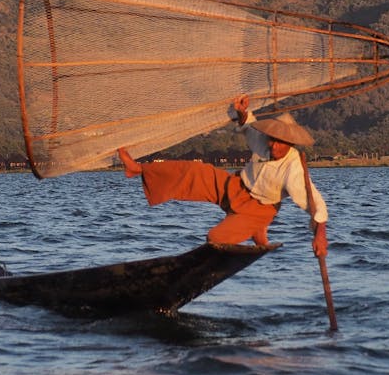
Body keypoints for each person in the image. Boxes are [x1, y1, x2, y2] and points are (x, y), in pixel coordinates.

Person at [117, 94, 328, 257]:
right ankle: (138, 169)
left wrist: (320, 235)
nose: (273, 144)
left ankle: (255, 230)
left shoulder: (294, 170)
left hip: (258, 209)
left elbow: (316, 204)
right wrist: (243, 111)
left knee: (216, 239)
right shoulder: (266, 143)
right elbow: (248, 127)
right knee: (193, 171)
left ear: (290, 143)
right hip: (235, 186)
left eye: (280, 142)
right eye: (273, 139)